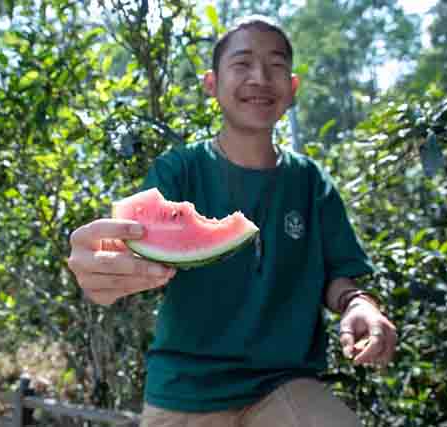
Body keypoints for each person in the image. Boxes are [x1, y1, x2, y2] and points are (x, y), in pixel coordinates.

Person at [67, 15, 397, 427]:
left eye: (276, 66)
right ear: (212, 84)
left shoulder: (310, 181)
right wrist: (101, 269)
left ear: (292, 89)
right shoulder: (178, 171)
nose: (260, 77)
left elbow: (338, 275)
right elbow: (133, 248)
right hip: (184, 390)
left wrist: (359, 304)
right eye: (242, 64)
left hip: (284, 381)